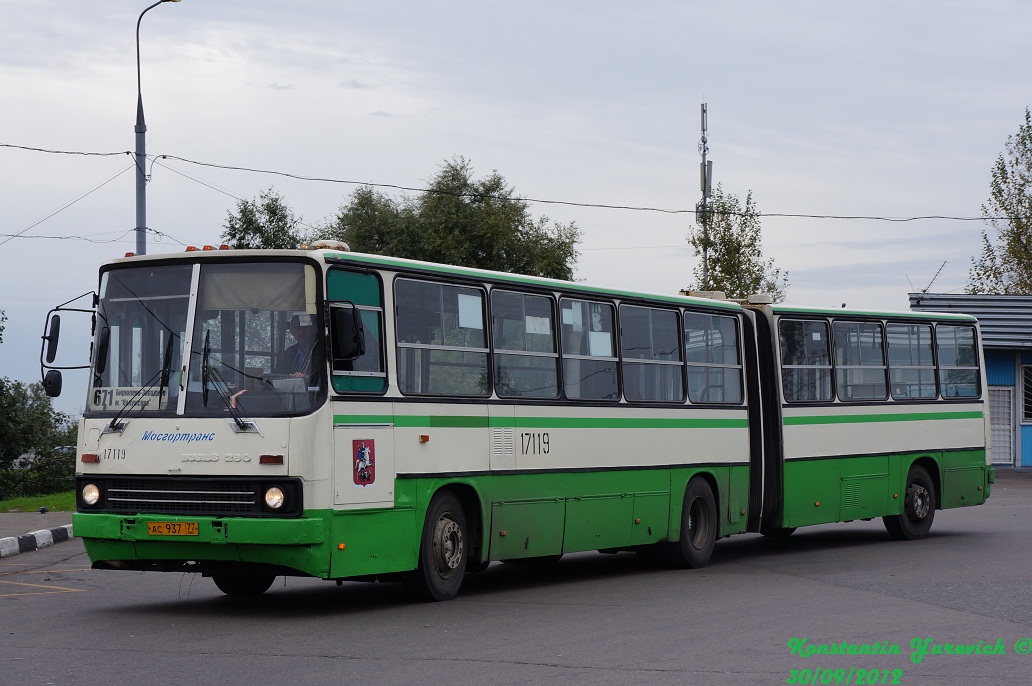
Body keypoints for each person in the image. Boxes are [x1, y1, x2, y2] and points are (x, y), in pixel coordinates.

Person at [277, 314, 317, 379]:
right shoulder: (288, 352)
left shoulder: (318, 351)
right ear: (292, 331)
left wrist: (306, 377)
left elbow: (323, 378)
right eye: (297, 328)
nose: (301, 332)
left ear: (311, 329)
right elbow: (277, 374)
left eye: (304, 328)